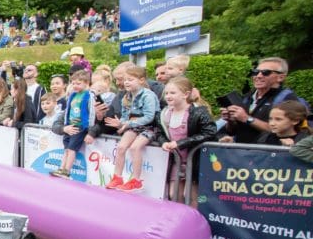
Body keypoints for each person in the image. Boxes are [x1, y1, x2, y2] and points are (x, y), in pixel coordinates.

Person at [234, 100, 311, 239]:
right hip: (262, 196)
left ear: (294, 121)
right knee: (258, 232)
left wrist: (294, 147)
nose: (273, 123)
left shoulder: (305, 139)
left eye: (278, 119)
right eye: (271, 119)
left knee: (282, 236)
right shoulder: (267, 137)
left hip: (291, 200)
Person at [150, 76, 216, 204]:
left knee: (192, 195)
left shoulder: (198, 112)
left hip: (195, 160)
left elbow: (210, 132)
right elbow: (158, 132)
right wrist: (163, 142)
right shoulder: (164, 114)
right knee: (173, 194)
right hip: (176, 161)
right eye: (167, 93)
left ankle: (194, 221)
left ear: (185, 94)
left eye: (173, 93)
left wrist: (180, 143)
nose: (168, 96)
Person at [104, 65, 160, 192]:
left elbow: (149, 117)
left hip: (150, 128)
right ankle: (117, 177)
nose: (126, 82)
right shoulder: (127, 97)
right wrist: (120, 123)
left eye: (130, 79)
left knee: (135, 147)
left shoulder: (148, 95)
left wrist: (128, 124)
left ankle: (136, 180)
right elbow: (125, 117)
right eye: (126, 80)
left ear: (141, 80)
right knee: (121, 147)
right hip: (134, 127)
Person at [220, 57, 302, 144]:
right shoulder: (248, 97)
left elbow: (283, 129)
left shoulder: (286, 98)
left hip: (268, 153)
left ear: (280, 77)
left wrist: (247, 118)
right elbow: (234, 130)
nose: (258, 76)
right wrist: (231, 121)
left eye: (266, 72)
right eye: (255, 72)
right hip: (242, 153)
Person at [49, 70, 96, 179]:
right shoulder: (73, 95)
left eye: (78, 83)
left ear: (86, 83)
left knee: (71, 149)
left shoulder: (89, 95)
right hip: (70, 125)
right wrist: (66, 124)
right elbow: (68, 111)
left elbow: (92, 112)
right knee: (66, 149)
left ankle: (66, 171)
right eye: (73, 83)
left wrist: (89, 129)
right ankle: (61, 168)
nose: (75, 86)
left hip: (80, 126)